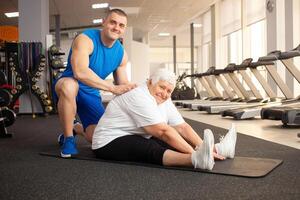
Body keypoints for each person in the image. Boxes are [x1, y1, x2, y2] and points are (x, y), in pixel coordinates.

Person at [92, 69, 237, 170]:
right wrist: (194, 152)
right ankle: (197, 160)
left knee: (172, 140)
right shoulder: (138, 95)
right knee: (153, 147)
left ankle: (217, 149)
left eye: (169, 91)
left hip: (136, 134)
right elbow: (163, 132)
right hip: (108, 141)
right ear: (150, 82)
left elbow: (182, 127)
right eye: (161, 88)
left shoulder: (164, 99)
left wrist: (205, 146)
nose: (164, 94)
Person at [54, 8, 136, 158]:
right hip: (69, 83)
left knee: (97, 138)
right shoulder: (85, 39)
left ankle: (75, 127)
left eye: (121, 25)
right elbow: (80, 72)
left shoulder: (121, 54)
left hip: (91, 92)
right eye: (113, 22)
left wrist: (138, 91)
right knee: (69, 86)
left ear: (124, 30)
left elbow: (122, 84)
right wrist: (112, 88)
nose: (116, 28)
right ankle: (68, 139)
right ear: (103, 22)